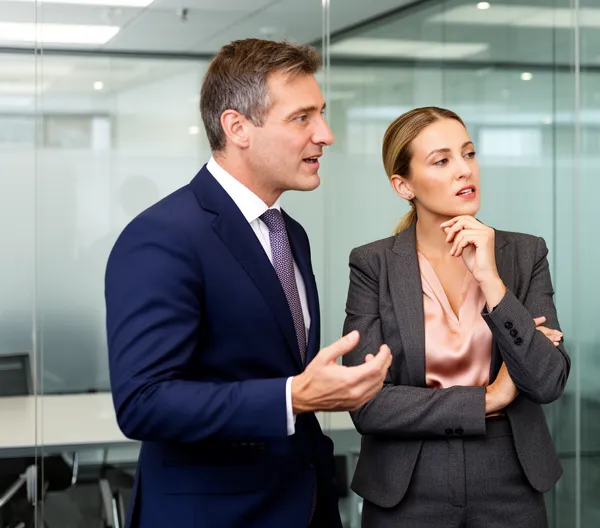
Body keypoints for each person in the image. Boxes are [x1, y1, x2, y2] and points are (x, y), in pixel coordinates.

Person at [104, 38, 392, 528]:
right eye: (302, 118)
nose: (326, 134)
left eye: (320, 113)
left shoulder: (289, 233)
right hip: (214, 514)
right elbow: (143, 402)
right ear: (237, 127)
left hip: (304, 503)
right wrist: (293, 396)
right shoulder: (163, 236)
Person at [341, 106, 570, 528]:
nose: (464, 170)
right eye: (442, 160)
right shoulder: (373, 264)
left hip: (511, 478)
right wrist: (491, 397)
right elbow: (367, 402)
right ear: (403, 184)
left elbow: (547, 380)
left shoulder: (523, 254)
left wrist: (491, 280)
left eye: (469, 153)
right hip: (406, 482)